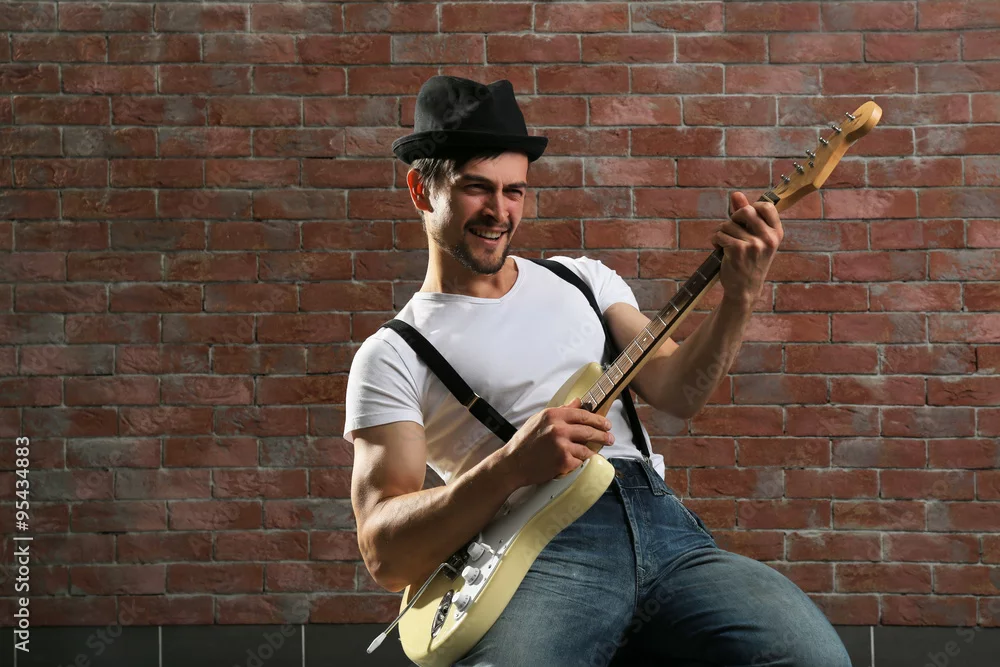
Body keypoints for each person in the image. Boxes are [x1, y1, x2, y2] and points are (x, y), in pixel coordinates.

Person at [345, 75, 851, 667]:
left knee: (813, 659)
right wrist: (510, 466)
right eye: (477, 188)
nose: (500, 212)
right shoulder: (394, 353)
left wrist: (739, 295)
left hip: (665, 531)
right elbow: (385, 551)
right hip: (538, 556)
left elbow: (678, 391)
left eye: (515, 191)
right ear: (420, 190)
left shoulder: (582, 281)